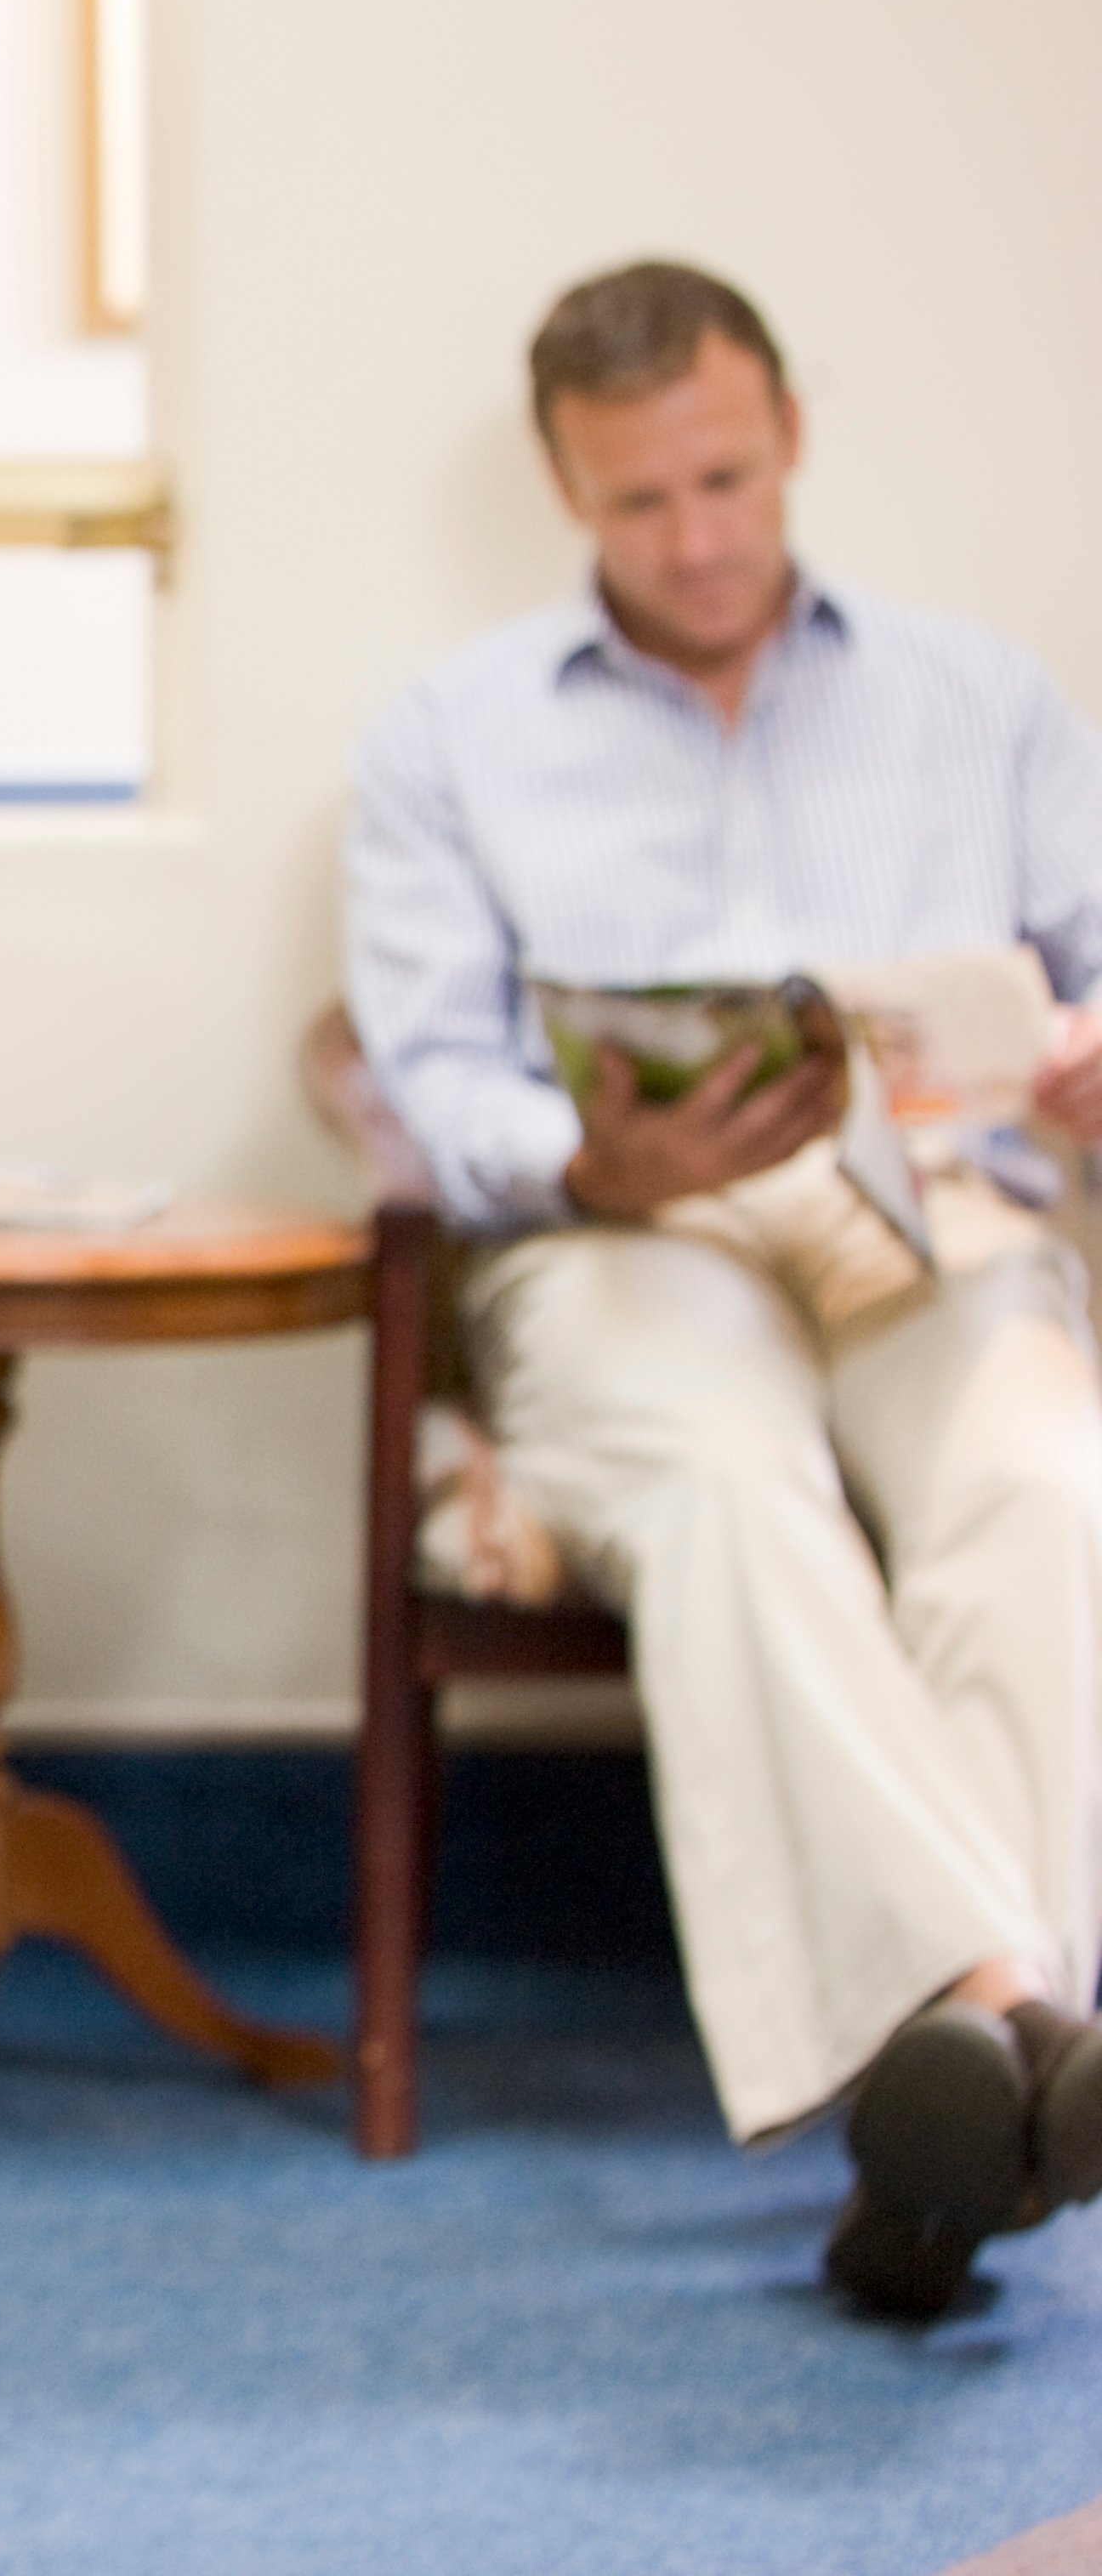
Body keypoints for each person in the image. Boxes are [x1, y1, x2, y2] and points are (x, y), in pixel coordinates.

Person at [346, 258, 1102, 2320]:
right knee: (717, 1471)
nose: (691, 539)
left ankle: (957, 2086)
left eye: (722, 481)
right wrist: (586, 1152)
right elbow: (436, 1078)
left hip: (935, 1221)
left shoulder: (983, 699)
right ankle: (1005, 2012)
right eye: (636, 503)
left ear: (785, 440)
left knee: (1049, 1482)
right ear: (565, 492)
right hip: (631, 1242)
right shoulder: (451, 739)